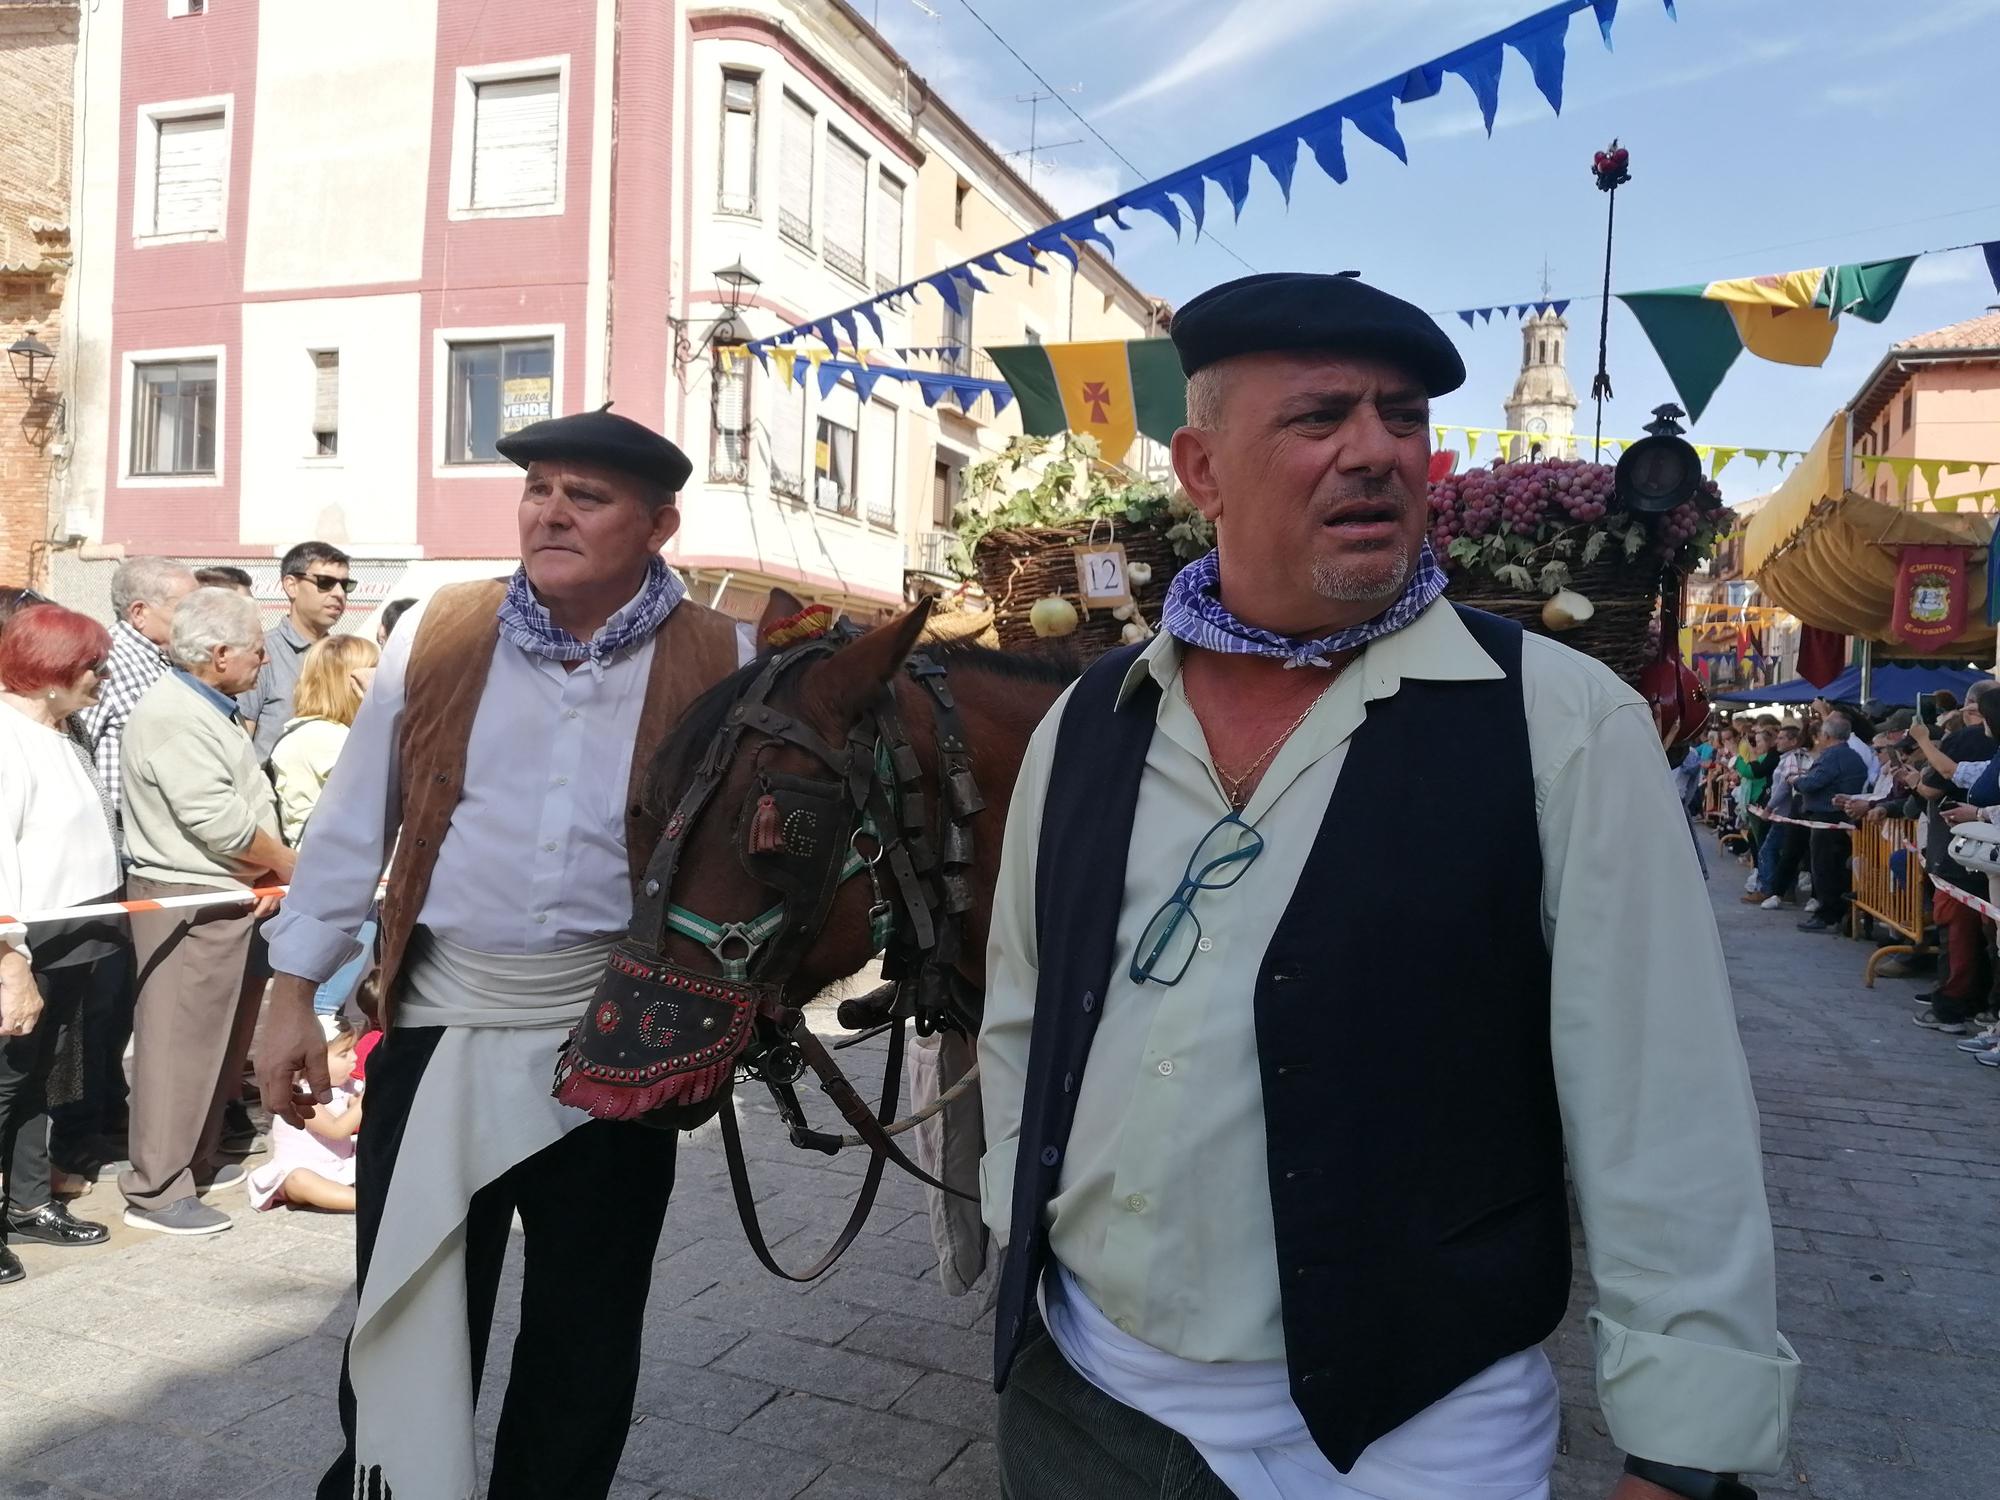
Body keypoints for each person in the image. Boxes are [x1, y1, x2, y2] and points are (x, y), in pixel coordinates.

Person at [980, 272, 1797, 1500]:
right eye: (1318, 419)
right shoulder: (1092, 716)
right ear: (1200, 470)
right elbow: (1021, 1011)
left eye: (1400, 417)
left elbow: (1659, 1092)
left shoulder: (1561, 721)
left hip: (1407, 1436)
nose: (1374, 451)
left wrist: (1682, 1447)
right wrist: (1016, 1217)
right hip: (1079, 1394)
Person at [255, 407, 755, 1500]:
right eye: (540, 489)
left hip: (619, 1041)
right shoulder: (440, 627)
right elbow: (353, 822)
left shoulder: (727, 657)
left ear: (659, 524)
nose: (552, 510)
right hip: (438, 1024)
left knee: (586, 1328)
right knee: (407, 1299)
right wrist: (290, 992)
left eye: (589, 495)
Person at [117, 587, 294, 1236]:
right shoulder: (173, 713)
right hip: (188, 899)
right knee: (176, 1049)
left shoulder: (200, 707)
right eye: (255, 650)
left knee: (206, 1046)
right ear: (218, 655)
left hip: (215, 897)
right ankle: (156, 1191)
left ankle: (186, 1166)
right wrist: (289, 865)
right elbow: (219, 824)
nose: (264, 663)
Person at [0, 604, 122, 1282]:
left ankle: (24, 1204)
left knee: (35, 1083)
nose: (101, 677)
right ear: (50, 672)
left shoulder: (55, 730)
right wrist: (10, 959)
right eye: (91, 665)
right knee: (4, 1084)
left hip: (75, 938)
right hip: (28, 942)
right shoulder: (5, 738)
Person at [238, 540, 353, 756]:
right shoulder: (262, 654)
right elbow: (241, 744)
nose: (339, 593)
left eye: (345, 585)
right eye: (325, 582)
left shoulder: (347, 658)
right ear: (291, 586)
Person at [269, 634, 381, 847]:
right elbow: (382, 792)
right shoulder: (325, 737)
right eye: (375, 672)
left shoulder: (309, 730)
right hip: (337, 862)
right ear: (352, 682)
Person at [247, 1020, 367, 1213]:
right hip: (304, 1168)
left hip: (340, 1160)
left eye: (353, 1050)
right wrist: (365, 1100)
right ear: (312, 1061)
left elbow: (361, 1111)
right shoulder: (299, 1095)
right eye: (344, 1054)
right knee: (300, 1180)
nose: (354, 1058)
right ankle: (366, 1202)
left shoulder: (346, 1085)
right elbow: (336, 1129)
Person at [1791, 713, 1867, 935]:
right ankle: (1840, 913)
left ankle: (1827, 914)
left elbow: (1815, 781)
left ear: (1826, 735)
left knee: (1825, 869)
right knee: (1837, 869)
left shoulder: (1832, 756)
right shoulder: (1853, 756)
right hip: (1842, 818)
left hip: (1828, 818)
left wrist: (1797, 780)